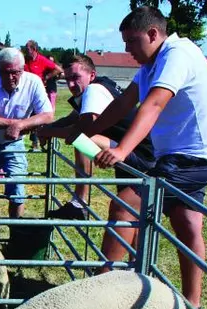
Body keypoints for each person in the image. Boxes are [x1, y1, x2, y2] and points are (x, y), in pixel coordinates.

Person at [82, 7, 207, 309]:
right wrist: (91, 129)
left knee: (125, 205)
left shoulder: (177, 55)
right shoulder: (151, 64)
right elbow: (124, 103)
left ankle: (100, 290)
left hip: (190, 159)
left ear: (153, 34)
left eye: (131, 41)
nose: (127, 49)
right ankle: (192, 304)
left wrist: (120, 150)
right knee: (186, 223)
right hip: (185, 156)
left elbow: (155, 104)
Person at [38, 54, 155, 222]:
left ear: (92, 75)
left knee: (83, 139)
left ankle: (79, 202)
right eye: (67, 79)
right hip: (133, 149)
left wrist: (48, 133)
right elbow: (72, 118)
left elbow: (83, 129)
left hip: (137, 153)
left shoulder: (94, 90)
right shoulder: (98, 87)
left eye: (76, 77)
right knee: (131, 217)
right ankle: (79, 202)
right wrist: (46, 128)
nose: (71, 84)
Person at [0, 48, 54, 219]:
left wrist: (21, 125)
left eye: (15, 73)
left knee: (17, 189)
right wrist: (13, 124)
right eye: (5, 72)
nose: (10, 77)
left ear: (23, 70)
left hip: (14, 143)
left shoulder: (33, 82)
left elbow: (48, 114)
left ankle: (15, 235)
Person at [23, 40, 63, 152]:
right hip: (25, 92)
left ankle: (41, 141)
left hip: (38, 93)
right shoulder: (24, 60)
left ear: (34, 49)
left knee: (39, 117)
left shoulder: (42, 60)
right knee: (26, 116)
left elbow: (58, 69)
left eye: (28, 49)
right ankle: (31, 140)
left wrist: (47, 77)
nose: (26, 51)